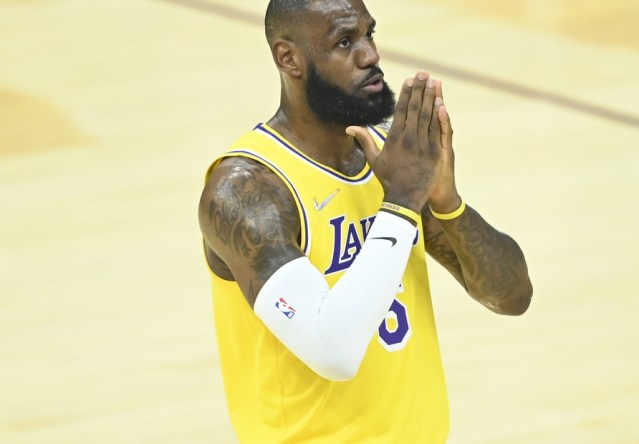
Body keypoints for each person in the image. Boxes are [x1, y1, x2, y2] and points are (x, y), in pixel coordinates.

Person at [197, 0, 533, 442]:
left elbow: (511, 296)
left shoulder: (389, 162)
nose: (370, 55)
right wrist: (402, 200)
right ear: (288, 58)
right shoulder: (246, 190)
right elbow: (332, 349)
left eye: (369, 34)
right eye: (344, 41)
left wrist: (447, 202)